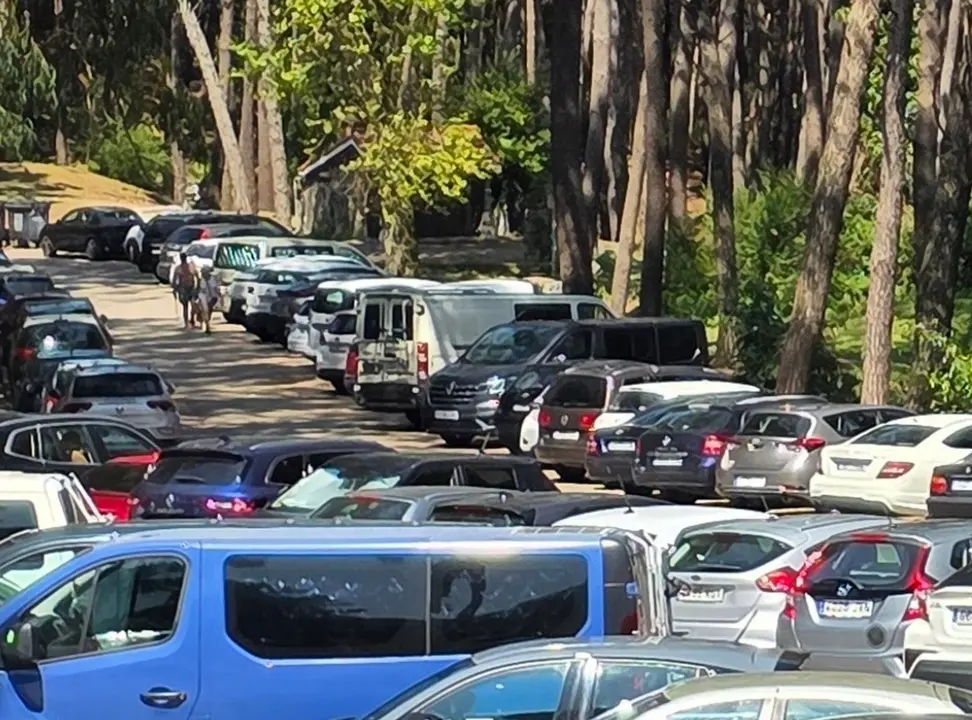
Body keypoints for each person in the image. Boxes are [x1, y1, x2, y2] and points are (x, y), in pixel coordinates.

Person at [171, 253, 200, 329]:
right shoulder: (178, 268)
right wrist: (175, 288)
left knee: (192, 304)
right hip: (183, 288)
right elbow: (174, 280)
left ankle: (191, 319)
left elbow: (197, 276)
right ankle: (186, 322)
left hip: (190, 287)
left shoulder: (190, 267)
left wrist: (197, 287)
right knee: (185, 306)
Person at [198, 266, 221, 334]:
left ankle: (207, 322)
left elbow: (216, 288)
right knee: (205, 310)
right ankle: (207, 325)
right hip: (203, 297)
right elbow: (198, 288)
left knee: (209, 311)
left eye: (205, 272)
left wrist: (219, 295)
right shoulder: (201, 280)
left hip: (212, 297)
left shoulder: (212, 279)